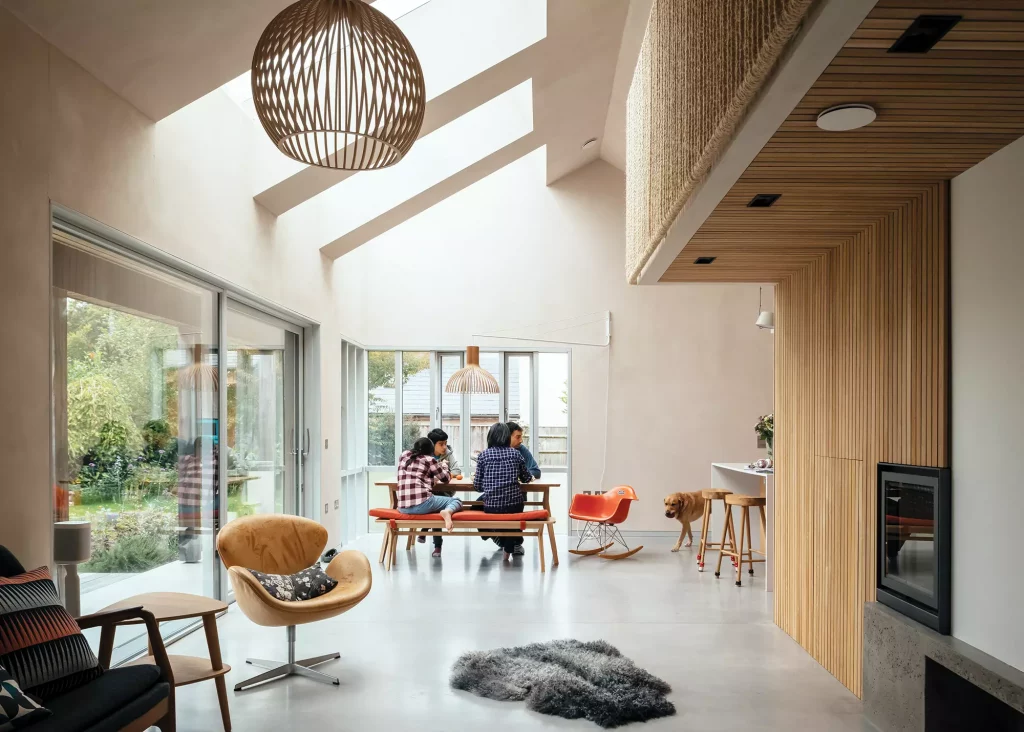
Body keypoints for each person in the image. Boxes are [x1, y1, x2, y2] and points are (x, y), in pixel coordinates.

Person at [475, 422, 534, 559]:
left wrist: (491, 484)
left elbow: (477, 487)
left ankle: (494, 537)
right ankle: (508, 550)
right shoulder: (515, 454)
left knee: (475, 506)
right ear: (507, 437)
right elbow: (526, 478)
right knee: (511, 512)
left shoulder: (484, 456)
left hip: (492, 506)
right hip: (515, 504)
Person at [396, 437, 461, 557]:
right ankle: (447, 512)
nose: (444, 447)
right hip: (422, 504)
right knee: (456, 500)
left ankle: (425, 531)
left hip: (402, 507)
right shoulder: (430, 459)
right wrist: (445, 466)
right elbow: (446, 479)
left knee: (433, 500)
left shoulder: (404, 455)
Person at [417, 428, 464, 547]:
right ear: (432, 444)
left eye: (445, 443)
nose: (444, 447)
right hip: (428, 493)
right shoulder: (425, 456)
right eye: (441, 444)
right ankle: (437, 545)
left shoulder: (448, 454)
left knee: (437, 500)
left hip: (445, 491)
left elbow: (457, 470)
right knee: (435, 503)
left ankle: (425, 531)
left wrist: (443, 475)